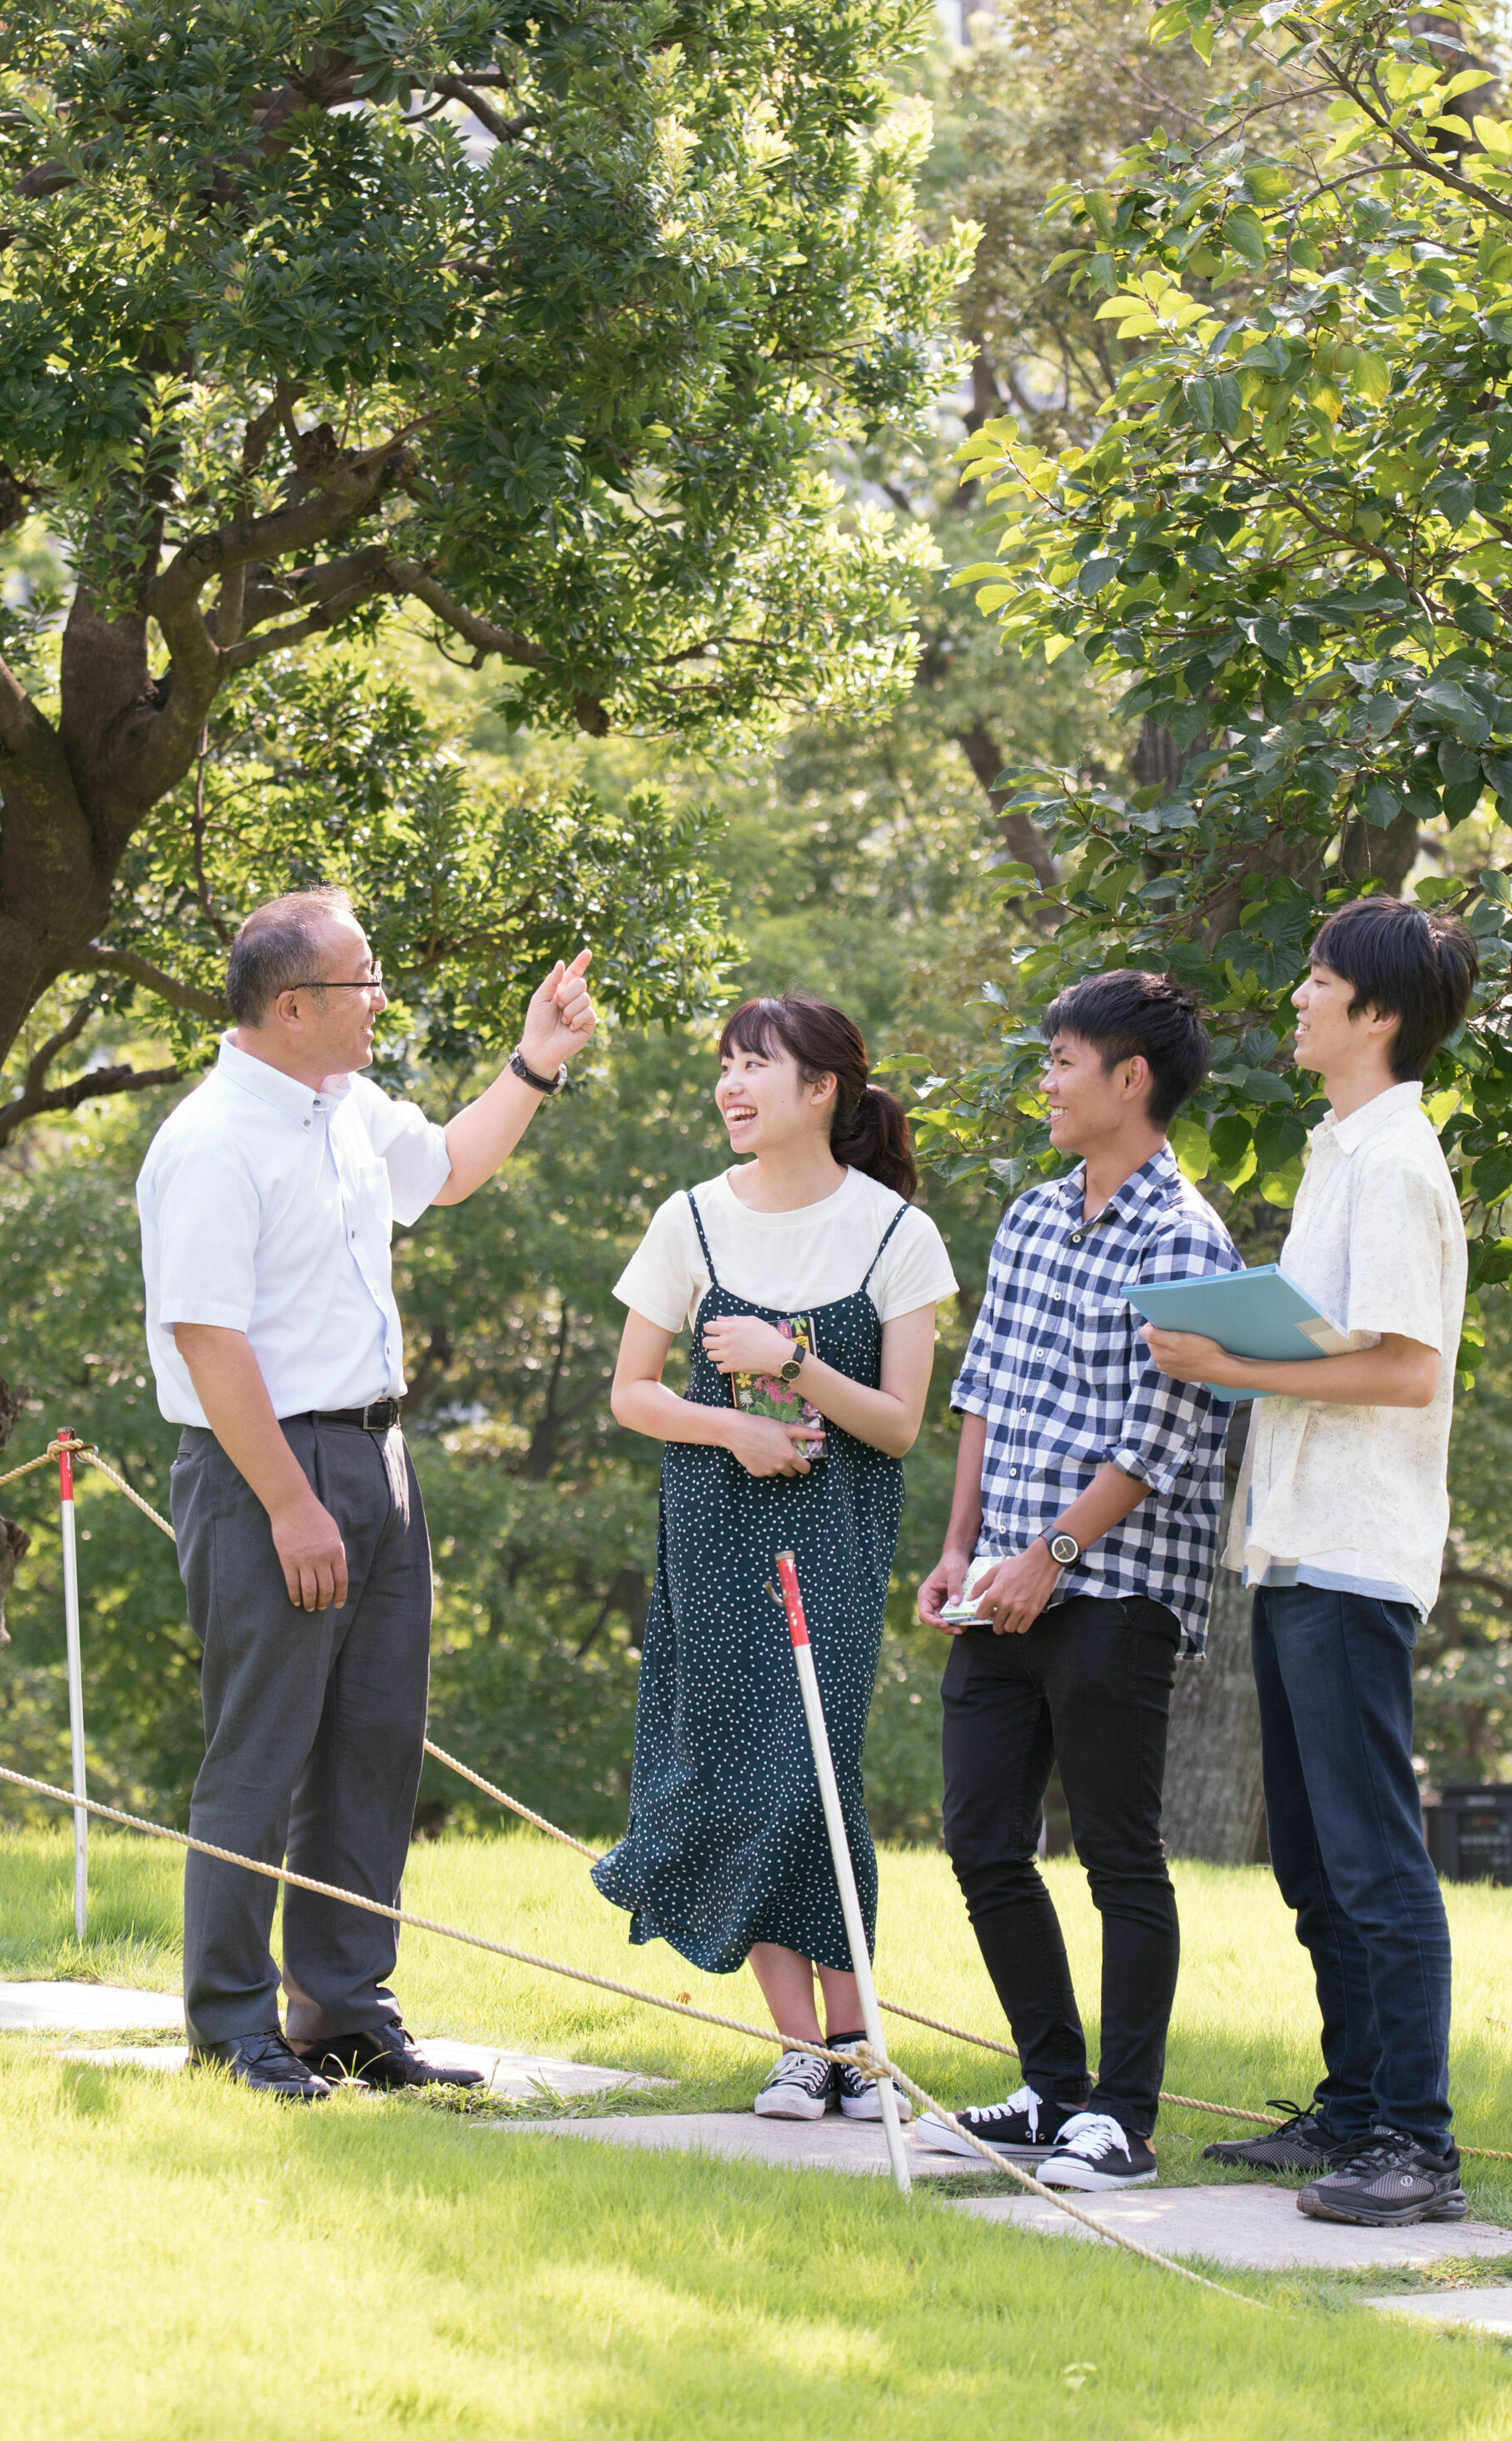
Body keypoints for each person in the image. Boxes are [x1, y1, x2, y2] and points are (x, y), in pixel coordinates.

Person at [136, 888, 598, 2100]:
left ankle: (343, 2013)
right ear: (293, 1007)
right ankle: (231, 2026)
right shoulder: (210, 1140)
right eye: (362, 981)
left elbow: (444, 1172)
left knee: (373, 1745)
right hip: (265, 1470)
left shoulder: (343, 1105)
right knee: (261, 1751)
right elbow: (209, 1342)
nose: (380, 1000)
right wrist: (291, 1505)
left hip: (378, 1456)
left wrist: (532, 1066)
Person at [1138, 896, 1477, 2227]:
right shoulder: (1341, 1152)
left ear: (1374, 1015)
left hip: (1353, 1550)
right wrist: (1245, 1358)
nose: (1295, 995)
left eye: (1317, 979)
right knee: (1315, 1862)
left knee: (1371, 1854)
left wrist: (1225, 1360)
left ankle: (1416, 2143)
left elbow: (1402, 1369)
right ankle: (1351, 2112)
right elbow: (1340, 1347)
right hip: (1290, 1544)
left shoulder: (1396, 1163)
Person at [597, 995, 956, 2120]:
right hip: (713, 1540)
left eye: (756, 1065)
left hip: (837, 1546)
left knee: (813, 1777)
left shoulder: (897, 1234)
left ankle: (856, 2044)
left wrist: (786, 1366)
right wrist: (737, 1428)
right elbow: (632, 1393)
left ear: (821, 1090)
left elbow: (899, 1424)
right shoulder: (689, 1220)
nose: (730, 1085)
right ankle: (802, 2050)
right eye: (724, 1064)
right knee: (736, 1776)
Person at [913, 972, 1240, 2193]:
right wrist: (961, 1547)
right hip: (997, 1584)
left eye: (1062, 1061)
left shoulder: (1186, 1238)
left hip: (1112, 1591)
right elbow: (984, 1391)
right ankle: (1050, 2089)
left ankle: (1123, 2120)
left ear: (1129, 1080)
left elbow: (1159, 1440)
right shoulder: (1030, 1219)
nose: (1044, 1081)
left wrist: (1050, 1558)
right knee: (982, 1837)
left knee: (1117, 1854)